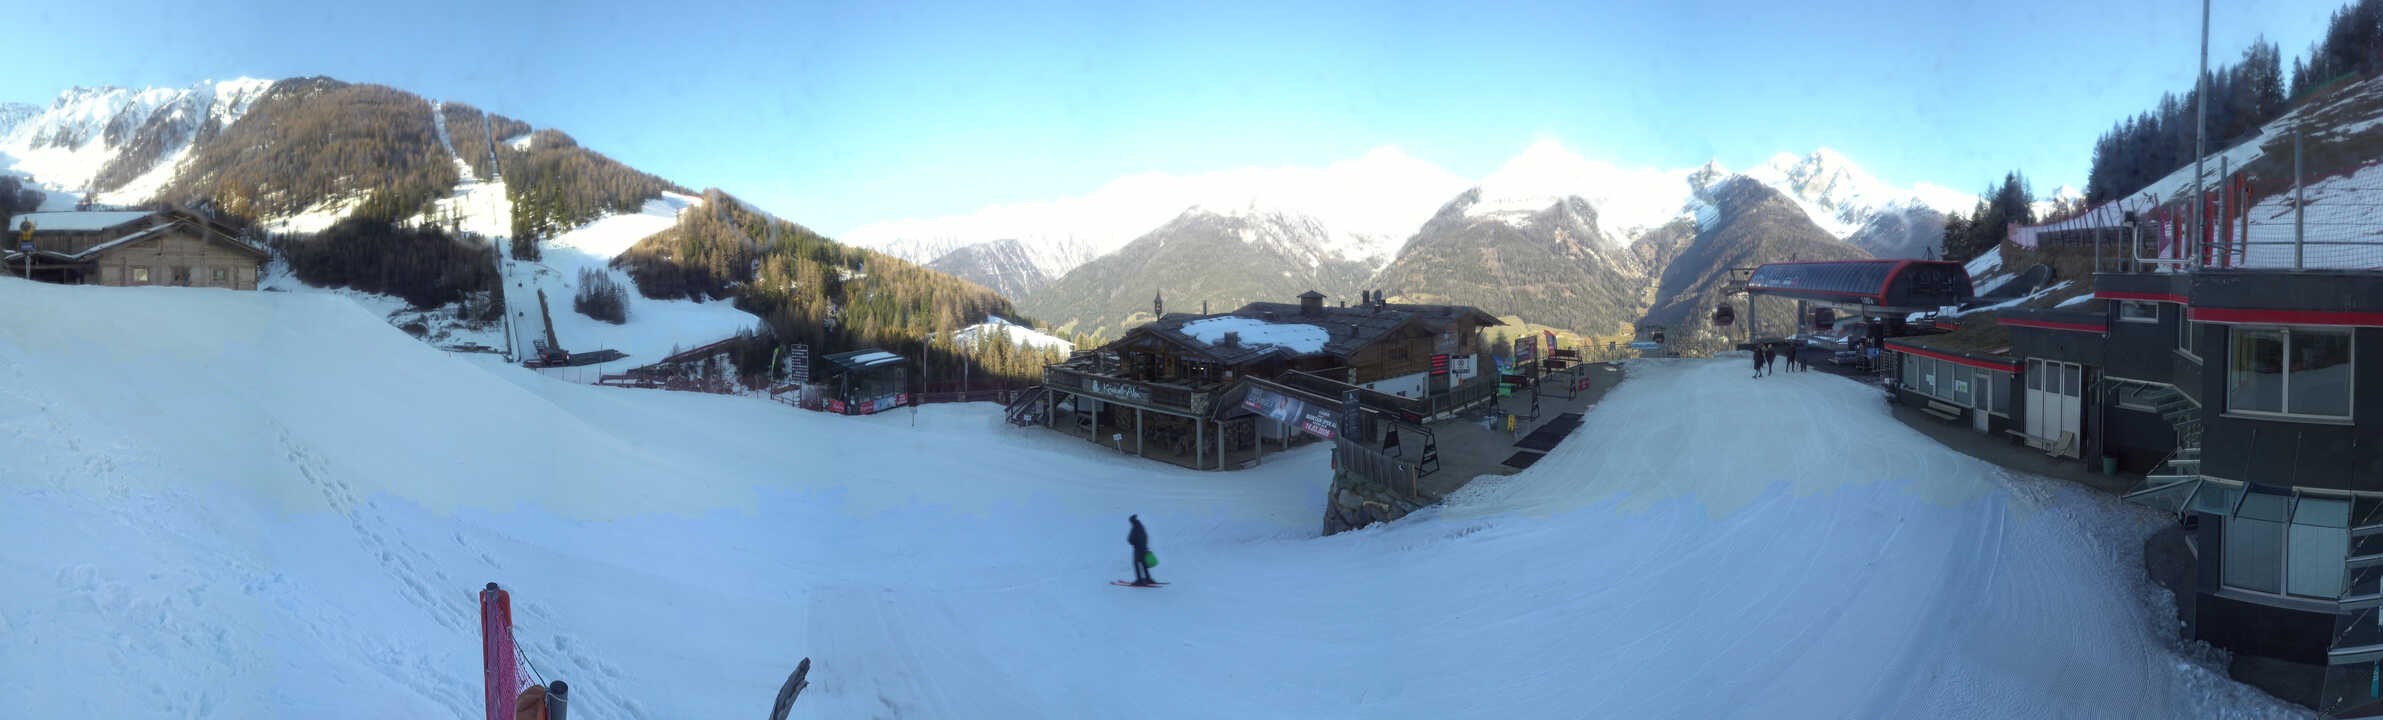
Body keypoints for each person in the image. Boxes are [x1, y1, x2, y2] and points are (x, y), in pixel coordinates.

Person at [1128, 514, 1155, 586]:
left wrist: (1134, 543)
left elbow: (1130, 539)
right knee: (1144, 564)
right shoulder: (1142, 527)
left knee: (1136, 564)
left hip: (1137, 549)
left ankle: (1139, 581)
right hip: (1144, 549)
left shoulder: (1134, 528)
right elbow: (1146, 537)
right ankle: (1148, 579)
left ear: (1132, 521)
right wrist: (1145, 546)